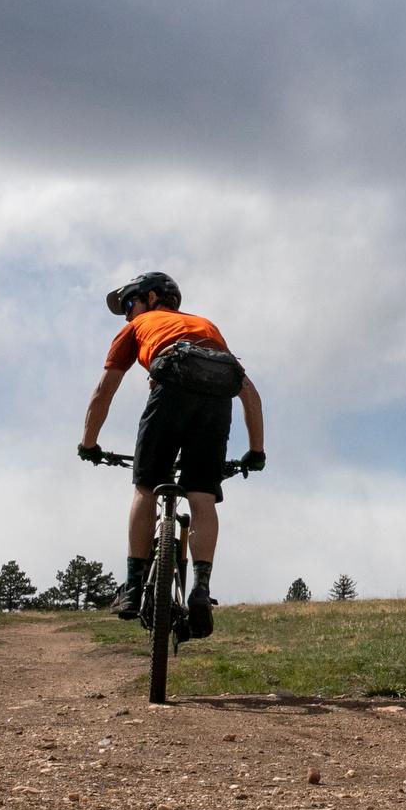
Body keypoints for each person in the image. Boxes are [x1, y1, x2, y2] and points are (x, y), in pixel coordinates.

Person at [77, 271, 264, 638]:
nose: (129, 312)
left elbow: (104, 390)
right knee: (202, 497)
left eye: (130, 303)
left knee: (146, 486)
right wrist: (256, 451)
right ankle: (201, 587)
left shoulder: (140, 325)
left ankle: (132, 587)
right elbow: (250, 395)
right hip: (217, 406)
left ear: (149, 297)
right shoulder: (206, 326)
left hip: (170, 393)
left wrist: (89, 443)